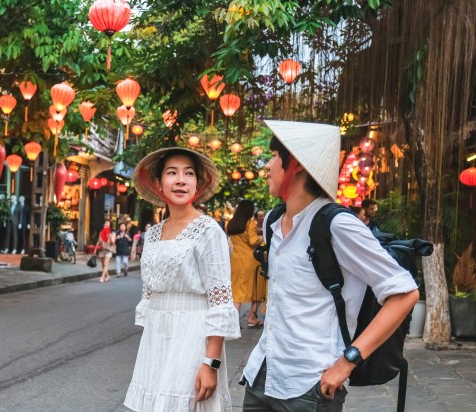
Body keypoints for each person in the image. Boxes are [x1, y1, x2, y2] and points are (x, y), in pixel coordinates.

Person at [241, 120, 419, 411]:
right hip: (263, 373)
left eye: (273, 157)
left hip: (311, 385)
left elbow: (404, 293)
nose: (267, 166)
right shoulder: (273, 222)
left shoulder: (337, 224)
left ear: (295, 163)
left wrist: (347, 362)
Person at [125, 147, 240, 411]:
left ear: (197, 184)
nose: (180, 180)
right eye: (172, 173)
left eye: (189, 174)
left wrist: (211, 363)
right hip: (157, 340)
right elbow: (151, 293)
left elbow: (220, 301)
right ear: (158, 184)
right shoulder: (152, 234)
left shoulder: (209, 231)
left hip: (193, 338)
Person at [227, 199, 265, 327]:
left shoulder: (232, 223)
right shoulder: (250, 223)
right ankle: (252, 318)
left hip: (236, 260)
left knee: (237, 291)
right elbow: (253, 241)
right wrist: (263, 237)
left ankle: (232, 321)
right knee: (257, 289)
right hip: (250, 261)